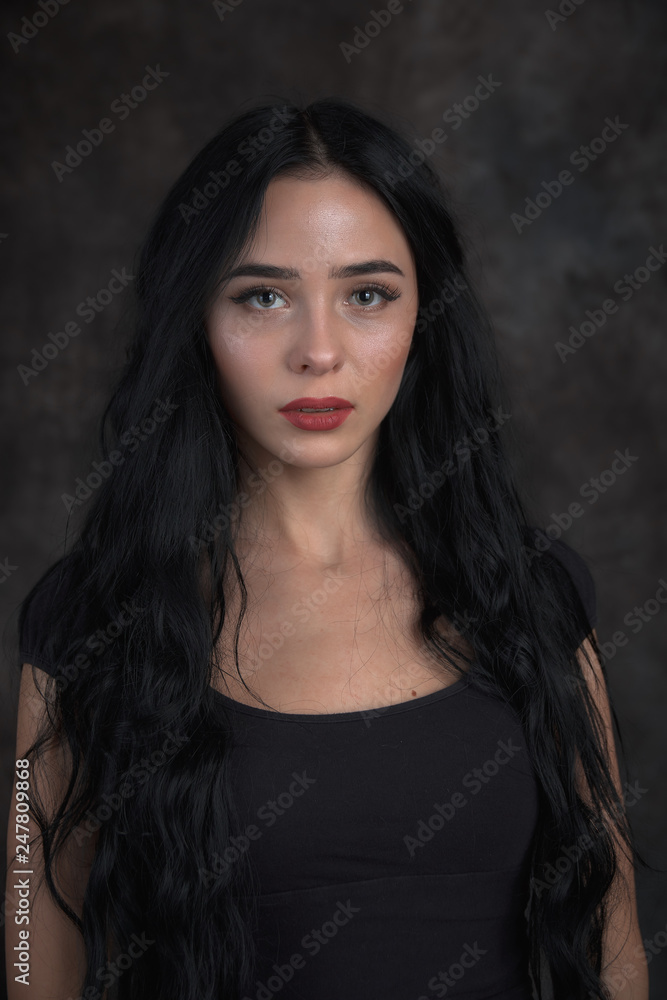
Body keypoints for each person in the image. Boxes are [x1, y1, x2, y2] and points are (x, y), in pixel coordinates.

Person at [7, 97, 650, 1000]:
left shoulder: (532, 592)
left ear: (423, 317)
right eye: (262, 296)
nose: (319, 351)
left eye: (367, 295)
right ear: (194, 317)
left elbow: (612, 932)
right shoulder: (89, 618)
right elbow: (35, 953)